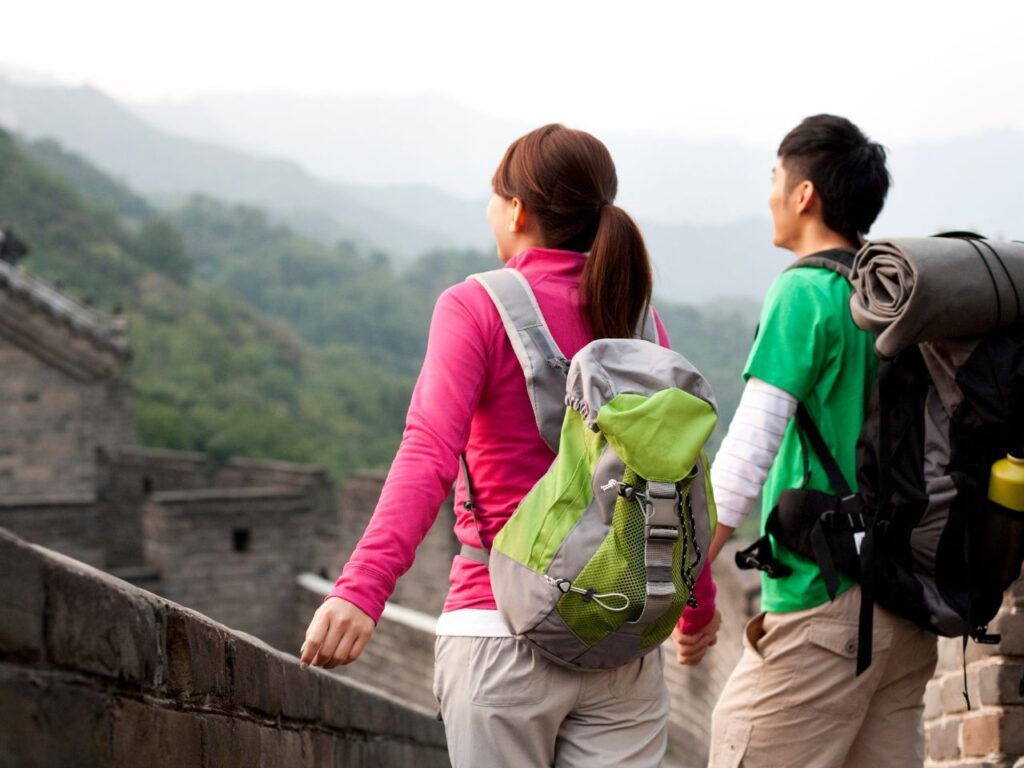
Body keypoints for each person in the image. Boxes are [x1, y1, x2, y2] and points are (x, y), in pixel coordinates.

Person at [301, 123, 719, 767]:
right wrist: (696, 607)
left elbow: (429, 450)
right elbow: (672, 472)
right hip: (619, 638)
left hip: (498, 633)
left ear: (517, 210)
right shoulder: (637, 317)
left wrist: (361, 589)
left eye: (496, 196)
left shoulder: (474, 306)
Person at [679, 114, 938, 768]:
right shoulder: (896, 297)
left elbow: (747, 452)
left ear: (803, 194)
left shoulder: (805, 293)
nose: (769, 191)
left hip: (826, 606)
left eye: (774, 176)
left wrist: (686, 576)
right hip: (907, 613)